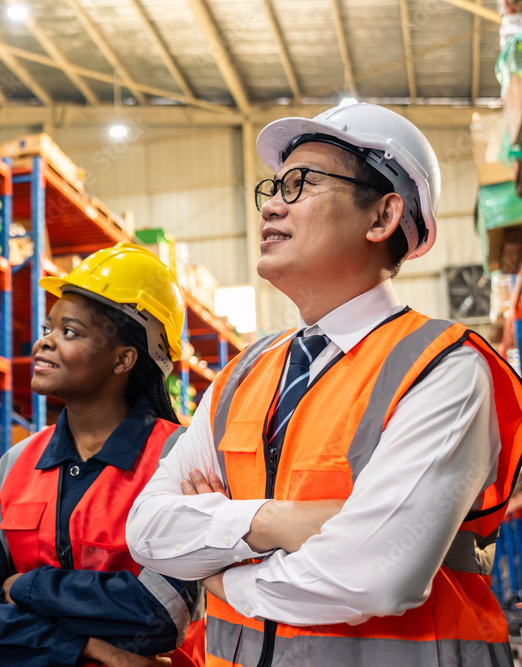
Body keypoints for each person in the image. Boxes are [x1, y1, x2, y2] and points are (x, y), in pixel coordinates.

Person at [126, 103, 522, 666]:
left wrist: (225, 575)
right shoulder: (243, 374)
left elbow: (375, 574)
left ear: (383, 216)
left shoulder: (446, 370)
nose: (272, 203)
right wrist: (279, 522)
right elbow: (147, 530)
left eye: (302, 183)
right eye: (274, 186)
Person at [0, 243, 205, 667]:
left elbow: (161, 612)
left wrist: (27, 588)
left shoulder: (177, 457)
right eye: (47, 328)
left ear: (123, 358)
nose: (43, 343)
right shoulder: (16, 464)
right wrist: (88, 648)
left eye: (69, 332)